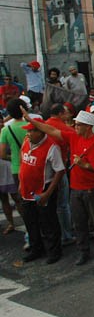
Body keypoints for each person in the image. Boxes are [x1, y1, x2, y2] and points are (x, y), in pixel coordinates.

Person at [22, 109, 94, 265]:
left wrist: (86, 165)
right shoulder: (73, 137)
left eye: (78, 125)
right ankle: (84, 252)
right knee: (79, 223)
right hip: (76, 189)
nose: (74, 127)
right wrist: (31, 120)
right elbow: (52, 130)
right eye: (75, 124)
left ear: (88, 127)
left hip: (93, 189)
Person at [19, 118, 65, 264]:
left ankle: (54, 251)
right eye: (28, 130)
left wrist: (48, 193)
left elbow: (59, 171)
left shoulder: (51, 147)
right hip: (27, 190)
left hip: (43, 189)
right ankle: (36, 248)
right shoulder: (26, 143)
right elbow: (23, 161)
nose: (29, 133)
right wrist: (21, 182)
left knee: (48, 222)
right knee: (30, 221)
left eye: (32, 130)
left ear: (40, 131)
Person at [45, 103, 76, 245]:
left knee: (51, 204)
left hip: (45, 171)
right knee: (63, 204)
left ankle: (55, 232)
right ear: (59, 114)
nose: (68, 115)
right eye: (65, 113)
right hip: (60, 168)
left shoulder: (44, 125)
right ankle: (66, 234)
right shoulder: (63, 128)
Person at [0, 98, 27, 235]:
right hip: (26, 166)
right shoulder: (29, 125)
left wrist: (13, 157)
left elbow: (3, 154)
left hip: (14, 168)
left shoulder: (6, 130)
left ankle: (28, 228)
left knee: (19, 198)